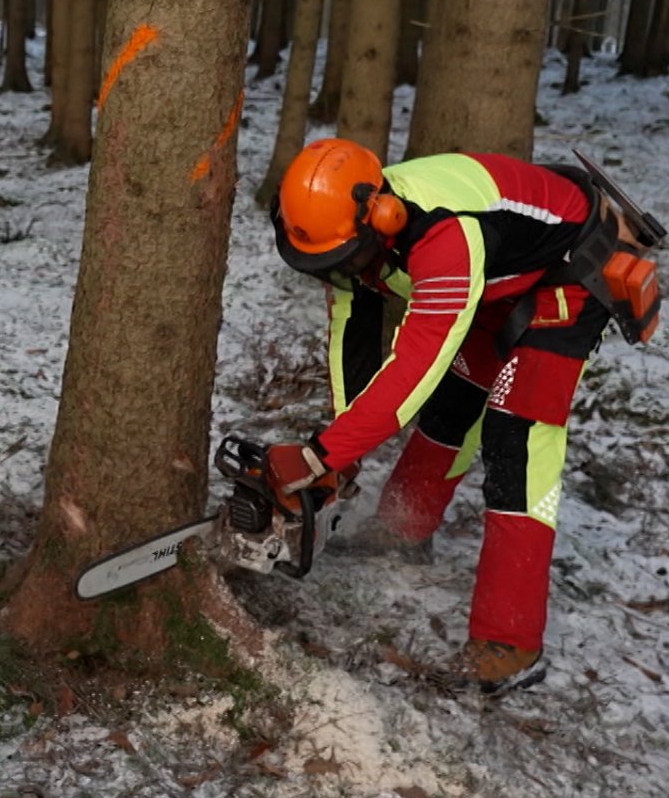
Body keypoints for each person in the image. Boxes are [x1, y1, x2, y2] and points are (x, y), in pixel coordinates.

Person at [262, 138, 630, 698]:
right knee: (456, 399)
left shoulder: (444, 237)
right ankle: (404, 530)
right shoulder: (347, 232)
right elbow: (353, 335)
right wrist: (340, 448)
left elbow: (414, 367)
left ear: (381, 217)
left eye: (345, 259)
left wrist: (319, 455)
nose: (341, 272)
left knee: (517, 436)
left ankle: (511, 643)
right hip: (501, 277)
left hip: (569, 274)